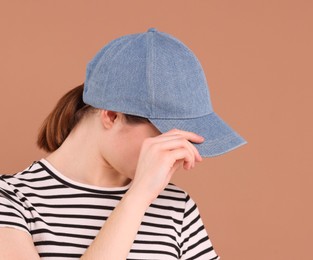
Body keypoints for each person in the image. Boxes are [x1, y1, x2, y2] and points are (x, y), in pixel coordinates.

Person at [0, 28, 246, 259]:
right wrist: (137, 197)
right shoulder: (10, 200)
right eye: (167, 137)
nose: (179, 155)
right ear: (112, 116)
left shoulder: (177, 207)